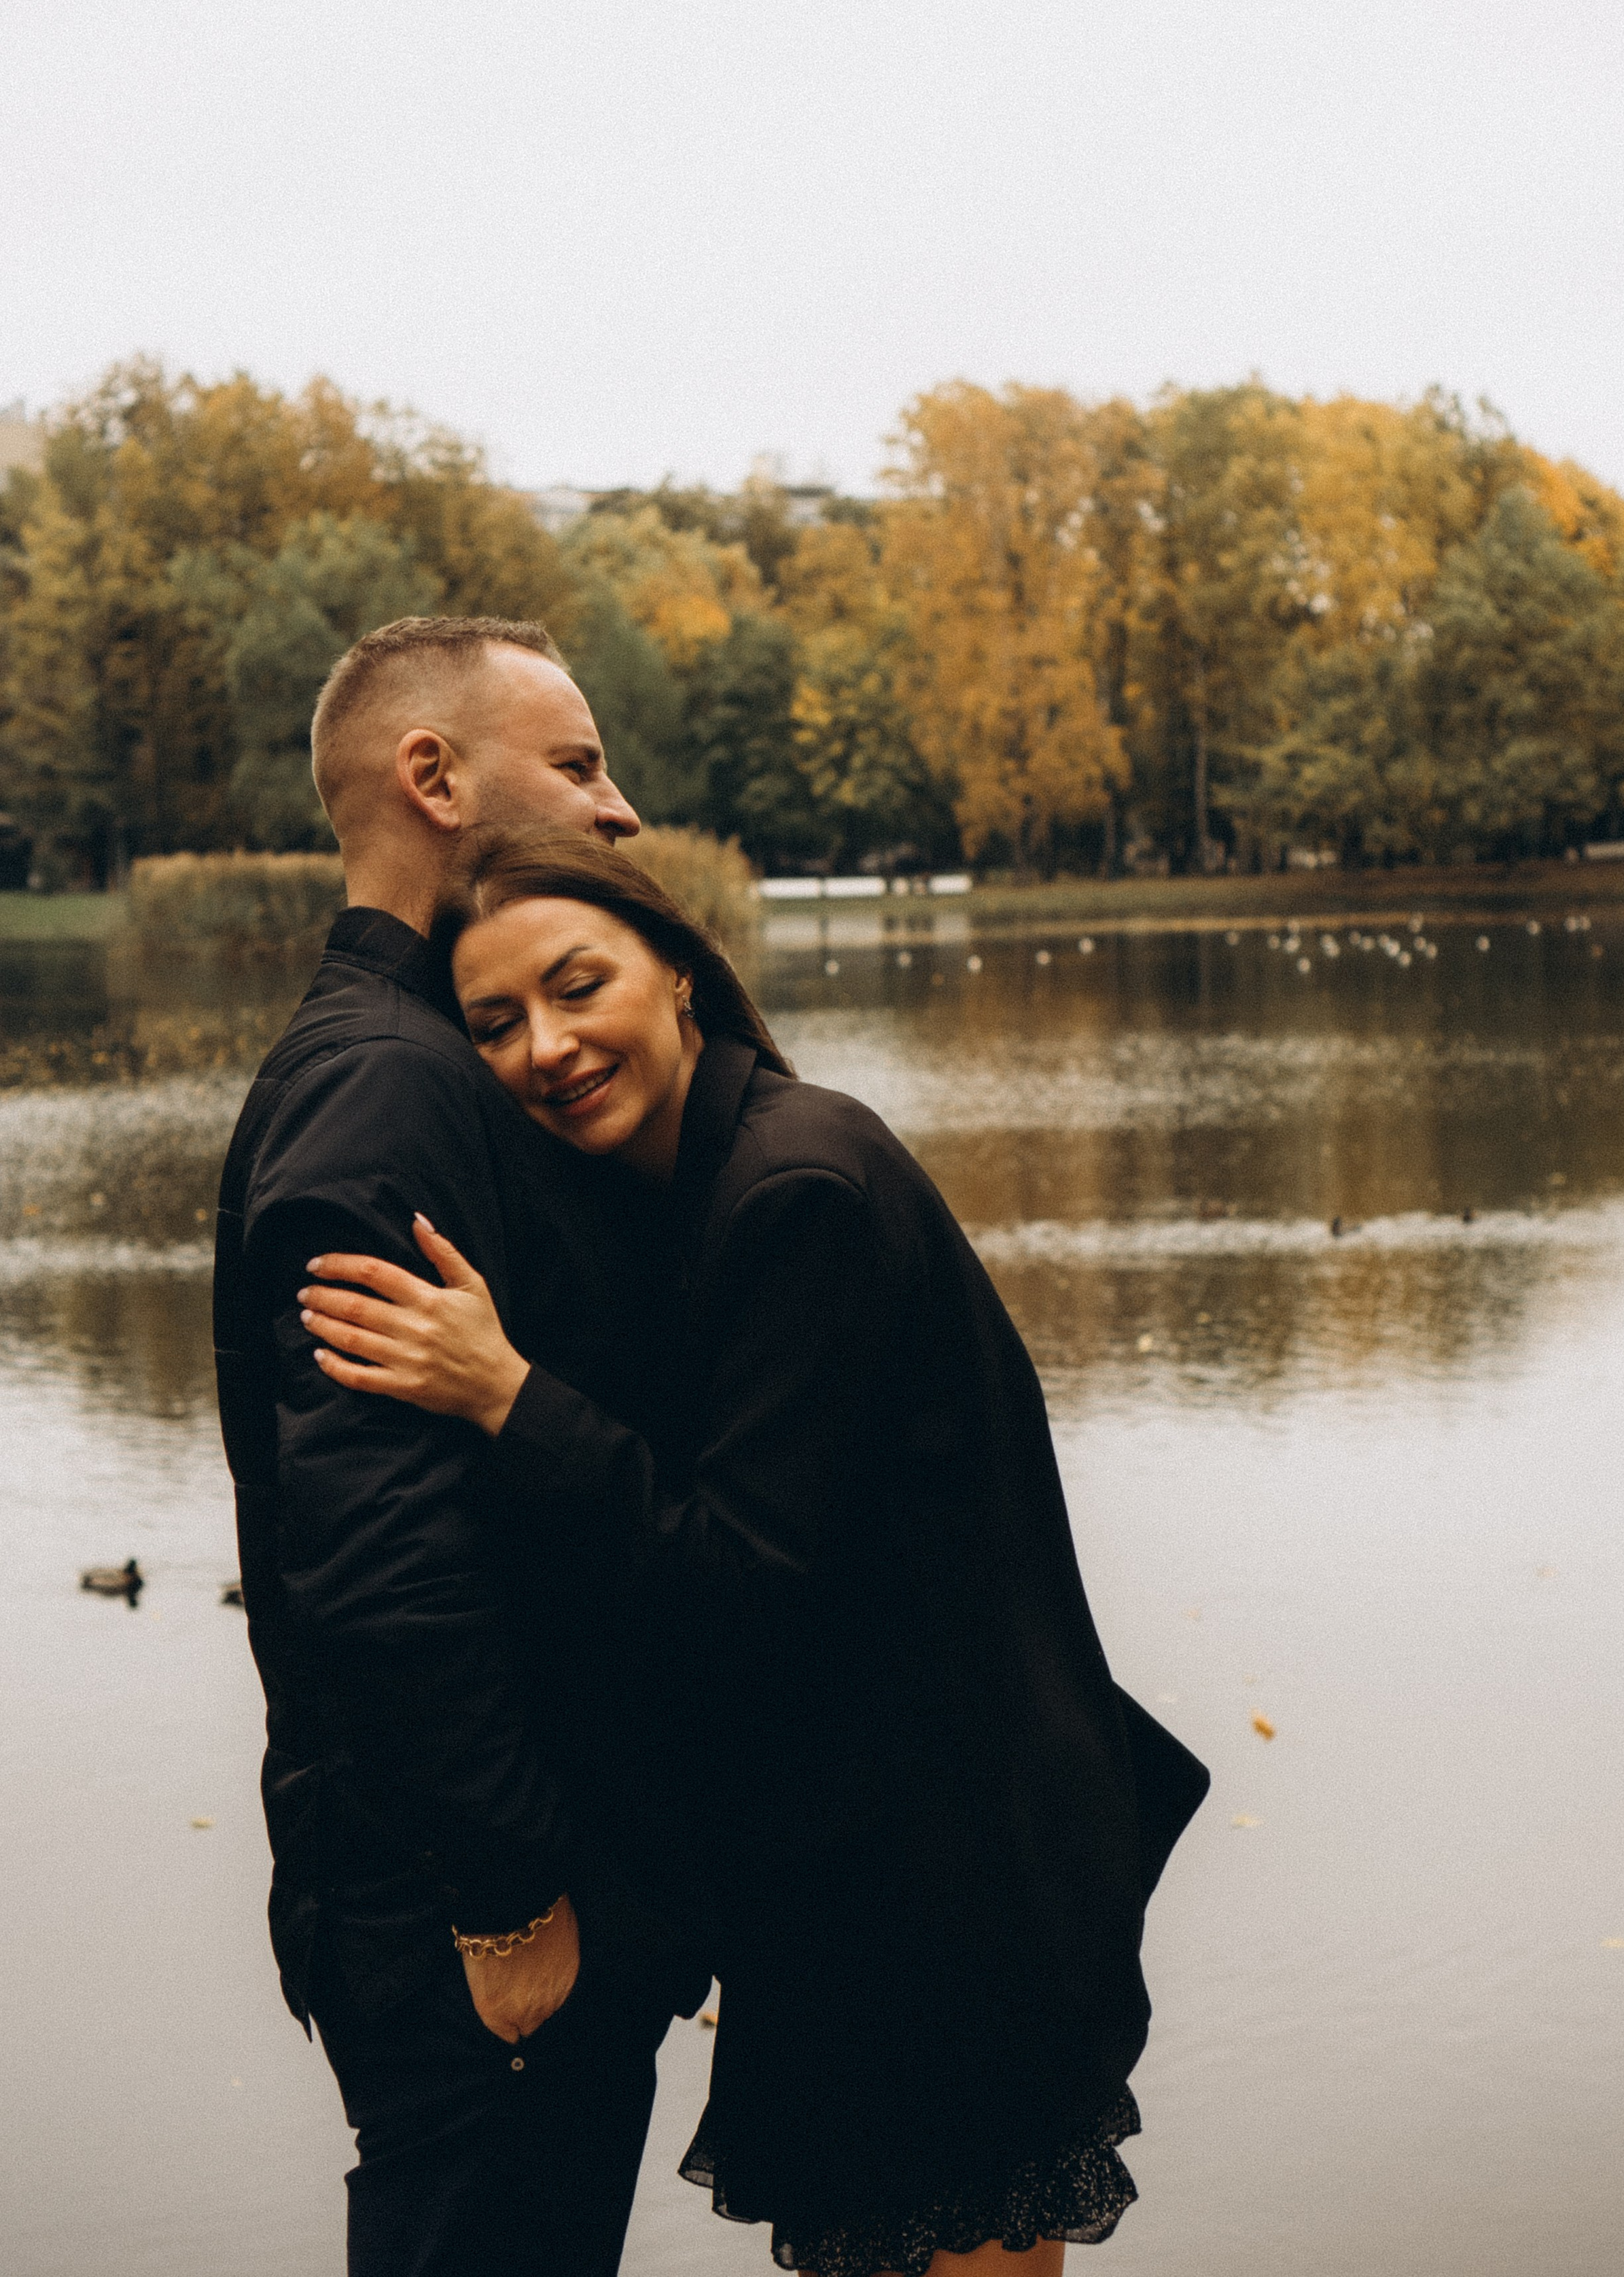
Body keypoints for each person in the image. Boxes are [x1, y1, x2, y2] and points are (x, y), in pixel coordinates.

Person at [298, 826, 1211, 2277]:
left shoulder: (796, 1194)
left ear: (676, 973)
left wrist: (504, 1395)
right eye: (495, 1024)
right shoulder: (702, 1184)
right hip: (869, 1893)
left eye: (576, 985)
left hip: (947, 1905)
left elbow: (749, 1586)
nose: (544, 1044)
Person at [213, 617, 708, 2277]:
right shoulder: (387, 1090)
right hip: (469, 1912)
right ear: (433, 777)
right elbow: (371, 1543)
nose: (616, 808)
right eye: (575, 765)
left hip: (504, 1881)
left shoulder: (443, 1061)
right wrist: (508, 1899)